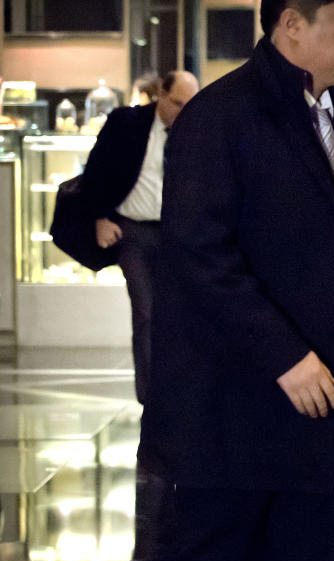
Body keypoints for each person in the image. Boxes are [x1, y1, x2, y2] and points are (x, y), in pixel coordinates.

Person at [76, 0, 334, 561]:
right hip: (234, 406)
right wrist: (287, 355)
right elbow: (200, 253)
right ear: (292, 25)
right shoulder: (220, 116)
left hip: (318, 404)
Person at [82, 70, 199, 405]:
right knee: (146, 311)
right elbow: (96, 172)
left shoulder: (193, 130)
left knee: (179, 312)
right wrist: (100, 217)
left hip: (177, 234)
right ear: (160, 93)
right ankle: (151, 397)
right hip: (133, 231)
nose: (182, 111)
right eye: (177, 103)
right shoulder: (126, 124)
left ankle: (179, 388)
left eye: (189, 105)